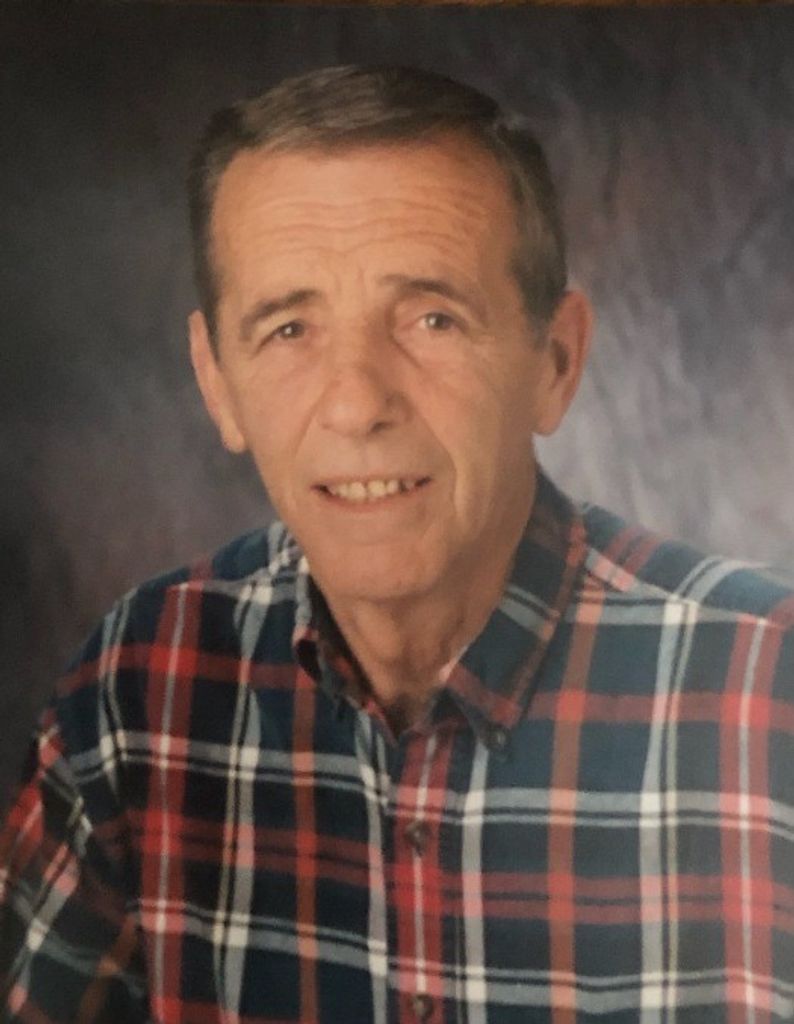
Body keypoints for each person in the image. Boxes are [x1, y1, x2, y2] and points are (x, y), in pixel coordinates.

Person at [1, 64, 793, 1024]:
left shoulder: (769, 690)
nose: (357, 403)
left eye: (431, 318)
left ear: (554, 361)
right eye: (289, 328)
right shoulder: (137, 691)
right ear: (217, 382)